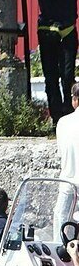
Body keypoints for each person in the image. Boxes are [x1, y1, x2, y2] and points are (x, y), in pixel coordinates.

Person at [18, 0, 79, 126]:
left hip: (66, 31)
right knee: (50, 79)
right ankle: (57, 122)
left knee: (67, 78)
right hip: (46, 31)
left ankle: (69, 117)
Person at [53, 84, 79, 238]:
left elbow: (62, 152)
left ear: (75, 100)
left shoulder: (63, 122)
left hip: (68, 184)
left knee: (61, 228)